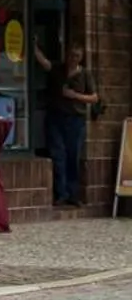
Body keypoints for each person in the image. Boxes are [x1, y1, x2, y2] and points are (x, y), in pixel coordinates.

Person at [35, 37, 99, 208]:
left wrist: (75, 96)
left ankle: (73, 194)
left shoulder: (85, 74)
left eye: (77, 56)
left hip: (75, 120)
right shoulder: (58, 69)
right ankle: (61, 193)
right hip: (56, 117)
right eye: (71, 55)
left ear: (81, 57)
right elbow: (45, 63)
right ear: (67, 55)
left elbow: (94, 97)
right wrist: (33, 47)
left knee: (73, 156)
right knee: (58, 156)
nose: (73, 59)